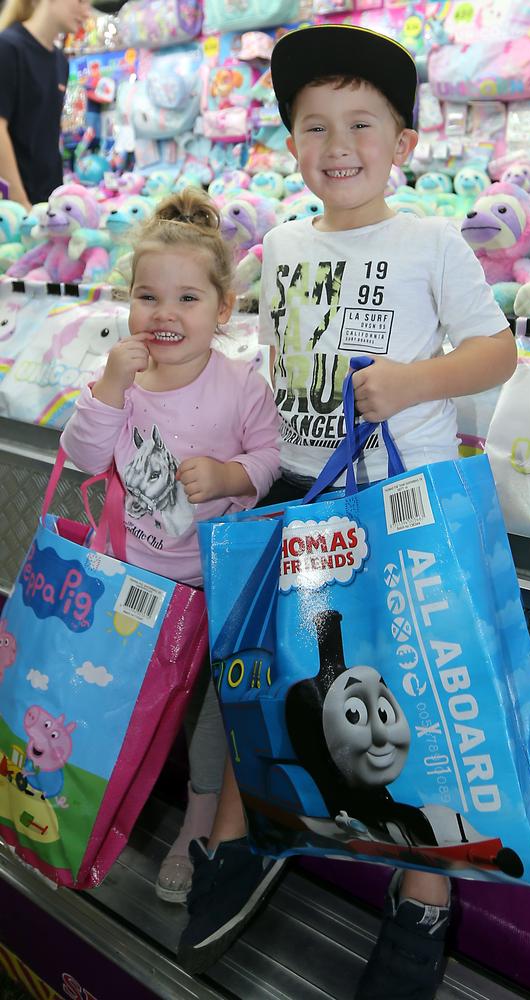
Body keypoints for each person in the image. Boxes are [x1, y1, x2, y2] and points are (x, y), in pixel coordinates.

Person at [177, 25, 517, 1000]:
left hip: (399, 505)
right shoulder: (281, 245)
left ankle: (422, 902)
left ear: (402, 143)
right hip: (297, 496)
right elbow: (280, 376)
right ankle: (240, 848)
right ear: (289, 144)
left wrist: (414, 379)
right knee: (265, 676)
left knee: (422, 707)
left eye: (360, 123)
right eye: (314, 125)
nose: (336, 143)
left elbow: (493, 356)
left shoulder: (429, 241)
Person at [60, 187, 280, 907]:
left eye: (187, 299)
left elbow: (269, 455)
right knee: (123, 697)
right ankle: (89, 795)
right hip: (130, 578)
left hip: (214, 585)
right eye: (147, 296)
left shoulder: (240, 384)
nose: (164, 314)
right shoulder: (122, 381)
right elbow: (87, 457)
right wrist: (109, 388)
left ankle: (195, 819)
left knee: (213, 710)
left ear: (222, 310)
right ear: (127, 304)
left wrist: (228, 477)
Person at [0, 0, 89, 208]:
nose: (86, 12)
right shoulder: (8, 48)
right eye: (81, 1)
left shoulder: (60, 61)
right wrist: (21, 202)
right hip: (13, 211)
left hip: (48, 202)